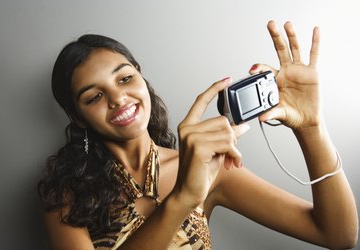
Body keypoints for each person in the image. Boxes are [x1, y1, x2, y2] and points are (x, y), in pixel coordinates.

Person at [38, 20, 358, 250]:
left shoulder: (206, 168)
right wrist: (183, 198)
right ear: (77, 118)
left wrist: (312, 128)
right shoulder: (66, 195)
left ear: (142, 81)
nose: (118, 98)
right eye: (94, 97)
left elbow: (338, 236)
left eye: (125, 79)